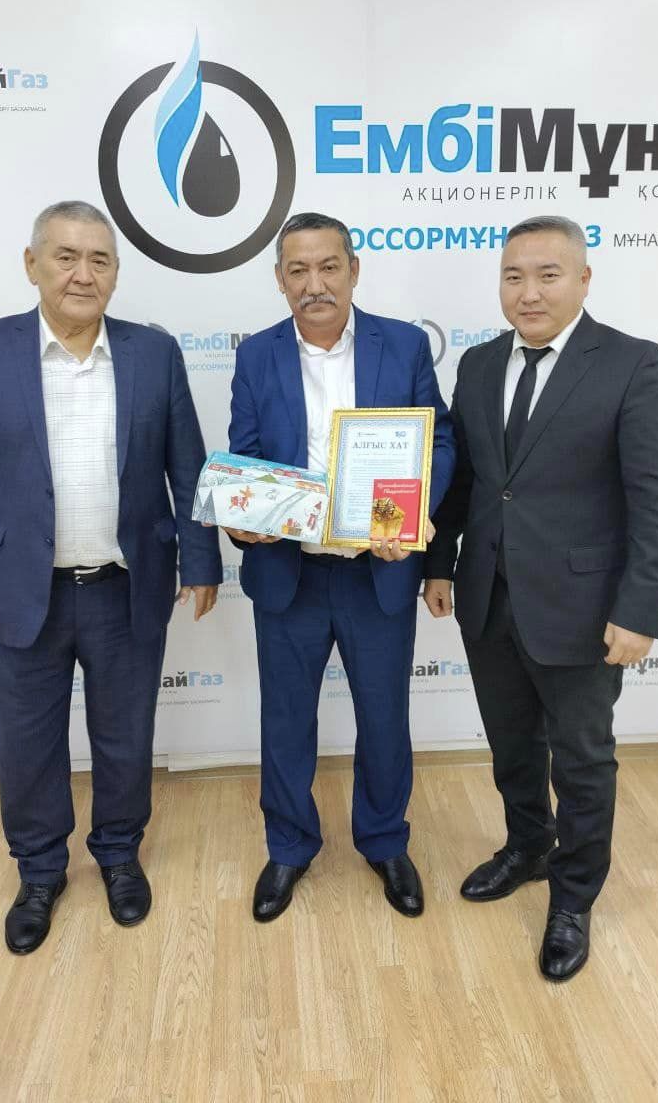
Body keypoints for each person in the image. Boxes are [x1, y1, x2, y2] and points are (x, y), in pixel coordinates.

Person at [0, 200, 222, 954]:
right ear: (33, 265)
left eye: (100, 260)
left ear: (115, 272)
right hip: (26, 590)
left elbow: (188, 466)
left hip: (125, 585)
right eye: (66, 257)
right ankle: (40, 871)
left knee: (126, 736)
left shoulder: (154, 353)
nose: (83, 274)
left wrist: (203, 560)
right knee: (28, 744)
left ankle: (118, 854)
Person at [423, 214, 658, 980]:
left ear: (583, 280)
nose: (529, 292)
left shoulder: (634, 365)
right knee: (512, 746)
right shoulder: (478, 365)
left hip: (583, 609)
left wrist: (640, 609)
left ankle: (573, 897)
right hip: (488, 598)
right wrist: (439, 565)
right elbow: (467, 483)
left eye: (547, 275)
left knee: (581, 760)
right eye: (514, 276)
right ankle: (528, 845)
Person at [227, 211, 455, 922]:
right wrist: (244, 516)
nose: (314, 284)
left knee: (384, 719)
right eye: (298, 270)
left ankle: (384, 841)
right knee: (285, 721)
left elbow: (439, 441)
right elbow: (247, 456)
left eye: (329, 266)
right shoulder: (255, 355)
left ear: (354, 270)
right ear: (279, 279)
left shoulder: (404, 345)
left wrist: (407, 514)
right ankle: (289, 845)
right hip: (288, 576)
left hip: (375, 572)